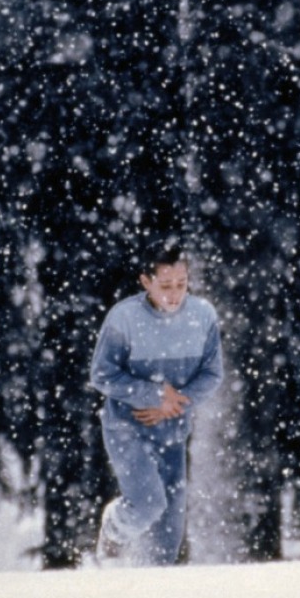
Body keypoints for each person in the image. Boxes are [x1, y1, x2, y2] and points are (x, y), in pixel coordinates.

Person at [89, 242, 223, 566]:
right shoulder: (124, 318)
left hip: (173, 429)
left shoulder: (203, 316)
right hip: (125, 428)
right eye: (166, 285)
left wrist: (175, 403)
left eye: (182, 284)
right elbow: (102, 375)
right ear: (146, 281)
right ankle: (113, 531)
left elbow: (212, 374)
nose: (175, 294)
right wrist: (154, 394)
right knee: (148, 504)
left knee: (169, 538)